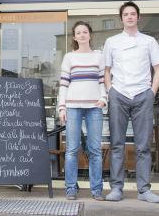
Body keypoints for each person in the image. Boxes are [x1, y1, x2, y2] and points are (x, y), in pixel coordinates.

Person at [103, 1, 159, 203]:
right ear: (121, 18)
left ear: (138, 17)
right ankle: (116, 188)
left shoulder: (149, 41)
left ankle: (144, 190)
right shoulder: (111, 41)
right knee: (117, 144)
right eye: (126, 14)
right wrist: (110, 91)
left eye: (133, 14)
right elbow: (106, 71)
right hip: (118, 94)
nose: (129, 17)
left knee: (143, 145)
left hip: (142, 95)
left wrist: (151, 92)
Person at [57, 21, 107, 201]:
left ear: (90, 35)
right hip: (72, 107)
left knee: (95, 149)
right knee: (72, 150)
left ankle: (97, 190)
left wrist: (103, 99)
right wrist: (61, 107)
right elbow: (63, 85)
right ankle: (71, 188)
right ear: (74, 37)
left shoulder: (99, 57)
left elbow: (102, 82)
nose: (82, 35)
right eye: (78, 32)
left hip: (94, 107)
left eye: (85, 32)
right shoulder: (69, 57)